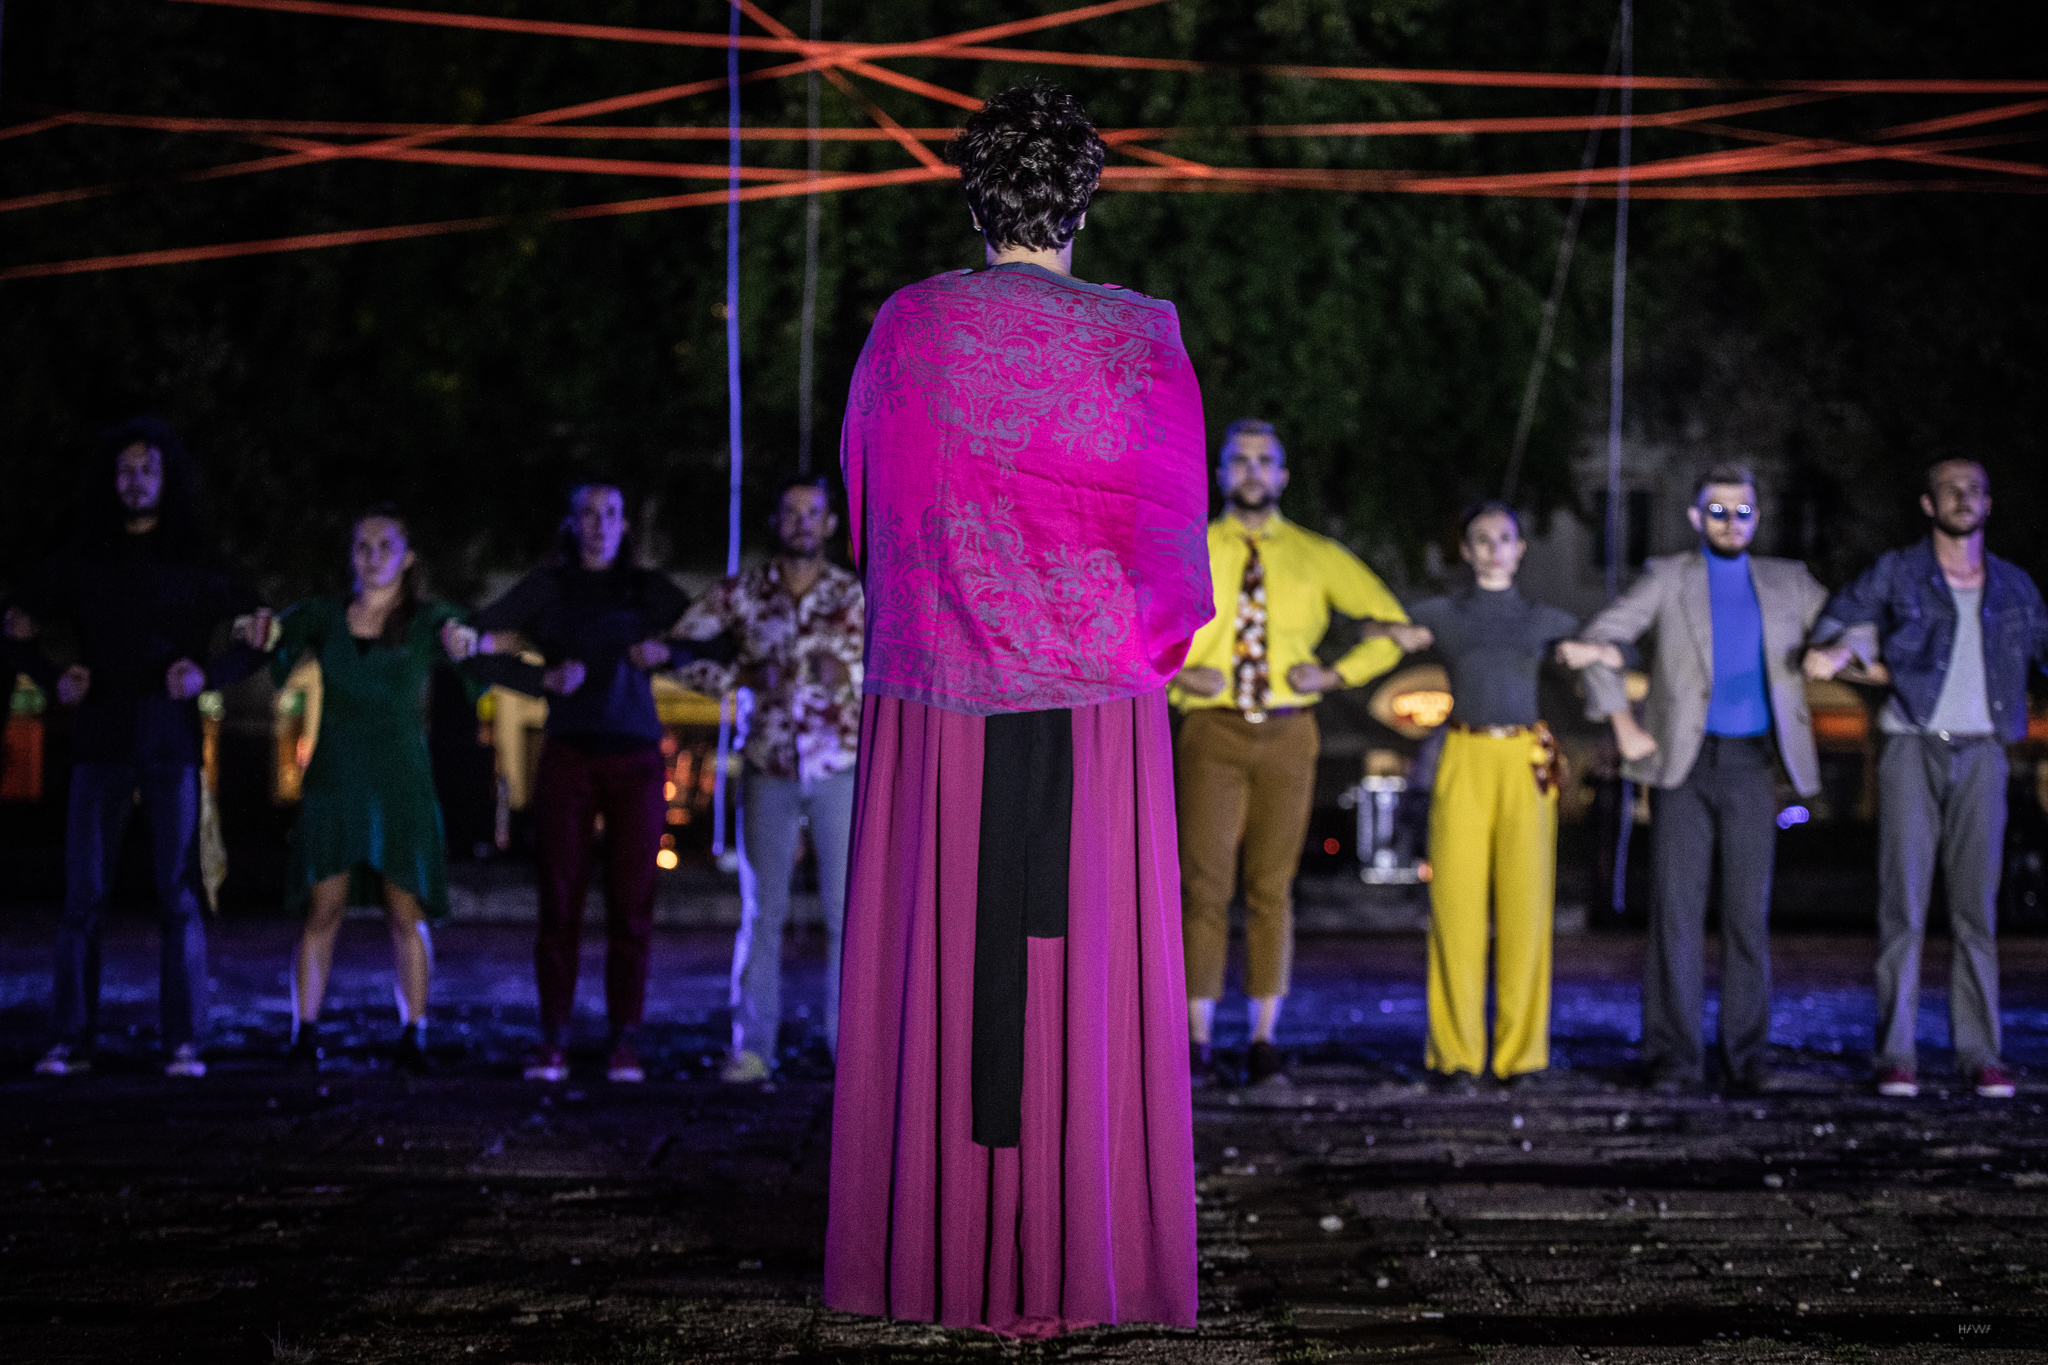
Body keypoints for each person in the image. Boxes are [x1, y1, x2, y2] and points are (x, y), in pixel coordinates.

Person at [824, 82, 1213, 1334]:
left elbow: (869, 499)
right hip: (1093, 709)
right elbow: (1170, 526)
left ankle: (933, 1255)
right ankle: (1087, 1250)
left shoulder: (910, 325)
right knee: (1076, 972)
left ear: (973, 201)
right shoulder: (1139, 333)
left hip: (940, 694)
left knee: (948, 963)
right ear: (1082, 206)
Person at [1557, 464, 1828, 1094]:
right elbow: (1597, 640)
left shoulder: (1789, 580)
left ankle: (1747, 1054)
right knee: (1676, 914)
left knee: (1747, 915)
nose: (1730, 522)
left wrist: (1837, 651)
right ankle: (1674, 1056)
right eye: (1717, 511)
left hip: (1753, 764)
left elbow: (1851, 623)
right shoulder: (1669, 577)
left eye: (1742, 511)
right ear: (1695, 517)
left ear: (1757, 516)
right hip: (1682, 764)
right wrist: (1622, 724)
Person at [1171, 419, 1423, 1086]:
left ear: (1282, 476)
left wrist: (1336, 674)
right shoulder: (1189, 546)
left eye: (1265, 461)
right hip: (1212, 728)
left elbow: (1395, 629)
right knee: (1204, 883)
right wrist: (1178, 674)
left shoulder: (1316, 554)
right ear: (1221, 473)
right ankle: (1197, 1037)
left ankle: (1263, 1037)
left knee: (1271, 885)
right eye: (1240, 460)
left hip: (1288, 729)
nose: (1252, 471)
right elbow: (1139, 628)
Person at [11, 417, 260, 1079]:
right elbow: (13, 624)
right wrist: (51, 677)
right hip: (98, 742)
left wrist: (209, 674)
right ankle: (69, 1040)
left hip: (171, 742)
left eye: (148, 469)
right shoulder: (84, 556)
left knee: (178, 895)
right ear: (110, 479)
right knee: (82, 897)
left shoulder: (197, 559)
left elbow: (264, 633)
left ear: (167, 478)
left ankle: (184, 1042)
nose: (136, 480)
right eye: (125, 469)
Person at [1804, 459, 2048, 1100]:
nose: (1963, 498)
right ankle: (1896, 1056)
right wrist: (1858, 654)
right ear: (1928, 503)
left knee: (1976, 913)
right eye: (1950, 489)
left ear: (1989, 504)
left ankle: (1981, 1055)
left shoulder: (2015, 587)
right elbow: (1830, 630)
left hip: (1984, 753)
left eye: (1975, 490)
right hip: (1912, 747)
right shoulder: (1898, 572)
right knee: (1903, 908)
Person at [461, 483, 697, 1085]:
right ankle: (554, 1040)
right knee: (558, 905)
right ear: (571, 523)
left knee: (632, 907)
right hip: (568, 755)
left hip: (636, 758)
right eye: (588, 513)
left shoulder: (646, 588)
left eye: (611, 513)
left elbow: (715, 637)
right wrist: (537, 679)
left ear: (625, 524)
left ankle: (625, 1041)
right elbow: (469, 639)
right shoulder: (548, 586)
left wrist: (666, 654)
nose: (599, 523)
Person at [250, 506, 478, 1073]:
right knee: (322, 908)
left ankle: (414, 1032)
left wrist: (468, 641)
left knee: (405, 909)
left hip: (400, 776)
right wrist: (252, 630)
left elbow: (476, 641)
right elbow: (269, 634)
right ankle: (303, 1031)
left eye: (386, 546)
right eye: (363, 546)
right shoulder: (324, 615)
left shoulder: (428, 619)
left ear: (408, 557)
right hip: (336, 775)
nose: (373, 557)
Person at [673, 473, 863, 1083]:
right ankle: (753, 1047)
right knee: (762, 912)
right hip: (769, 764)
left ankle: (849, 1048)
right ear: (777, 521)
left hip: (839, 766)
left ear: (830, 523)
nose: (802, 523)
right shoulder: (744, 593)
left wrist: (850, 679)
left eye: (813, 512)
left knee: (847, 913)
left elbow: (894, 665)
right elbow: (677, 647)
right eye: (791, 511)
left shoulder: (855, 596)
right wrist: (739, 680)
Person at [1406, 502, 1579, 1087]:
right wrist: (1394, 636)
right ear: (1466, 550)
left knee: (1527, 907)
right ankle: (1455, 1054)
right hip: (1464, 752)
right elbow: (1380, 626)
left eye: (1504, 538)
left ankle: (1520, 1056)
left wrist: (1596, 654)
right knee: (1454, 906)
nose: (1493, 548)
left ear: (1520, 548)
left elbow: (1615, 648)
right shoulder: (1445, 613)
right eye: (1481, 539)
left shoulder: (1542, 617)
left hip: (1524, 757)